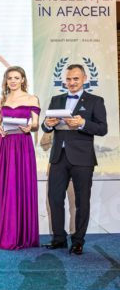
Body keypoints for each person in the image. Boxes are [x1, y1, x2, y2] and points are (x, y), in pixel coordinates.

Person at [42, 64, 107, 255]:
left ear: (84, 78)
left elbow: (102, 129)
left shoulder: (95, 101)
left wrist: (83, 123)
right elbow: (46, 127)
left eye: (76, 79)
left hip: (83, 158)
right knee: (54, 198)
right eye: (69, 79)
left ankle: (78, 241)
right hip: (58, 157)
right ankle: (59, 239)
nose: (71, 82)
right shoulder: (56, 99)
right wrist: (48, 124)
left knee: (82, 201)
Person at [0, 66, 40, 250]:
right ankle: (4, 230)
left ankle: (21, 233)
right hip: (4, 145)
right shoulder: (1, 100)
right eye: (10, 78)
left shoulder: (32, 99)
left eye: (17, 77)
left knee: (20, 185)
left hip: (23, 145)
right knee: (4, 185)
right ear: (6, 80)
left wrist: (30, 128)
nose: (13, 81)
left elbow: (35, 124)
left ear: (23, 79)